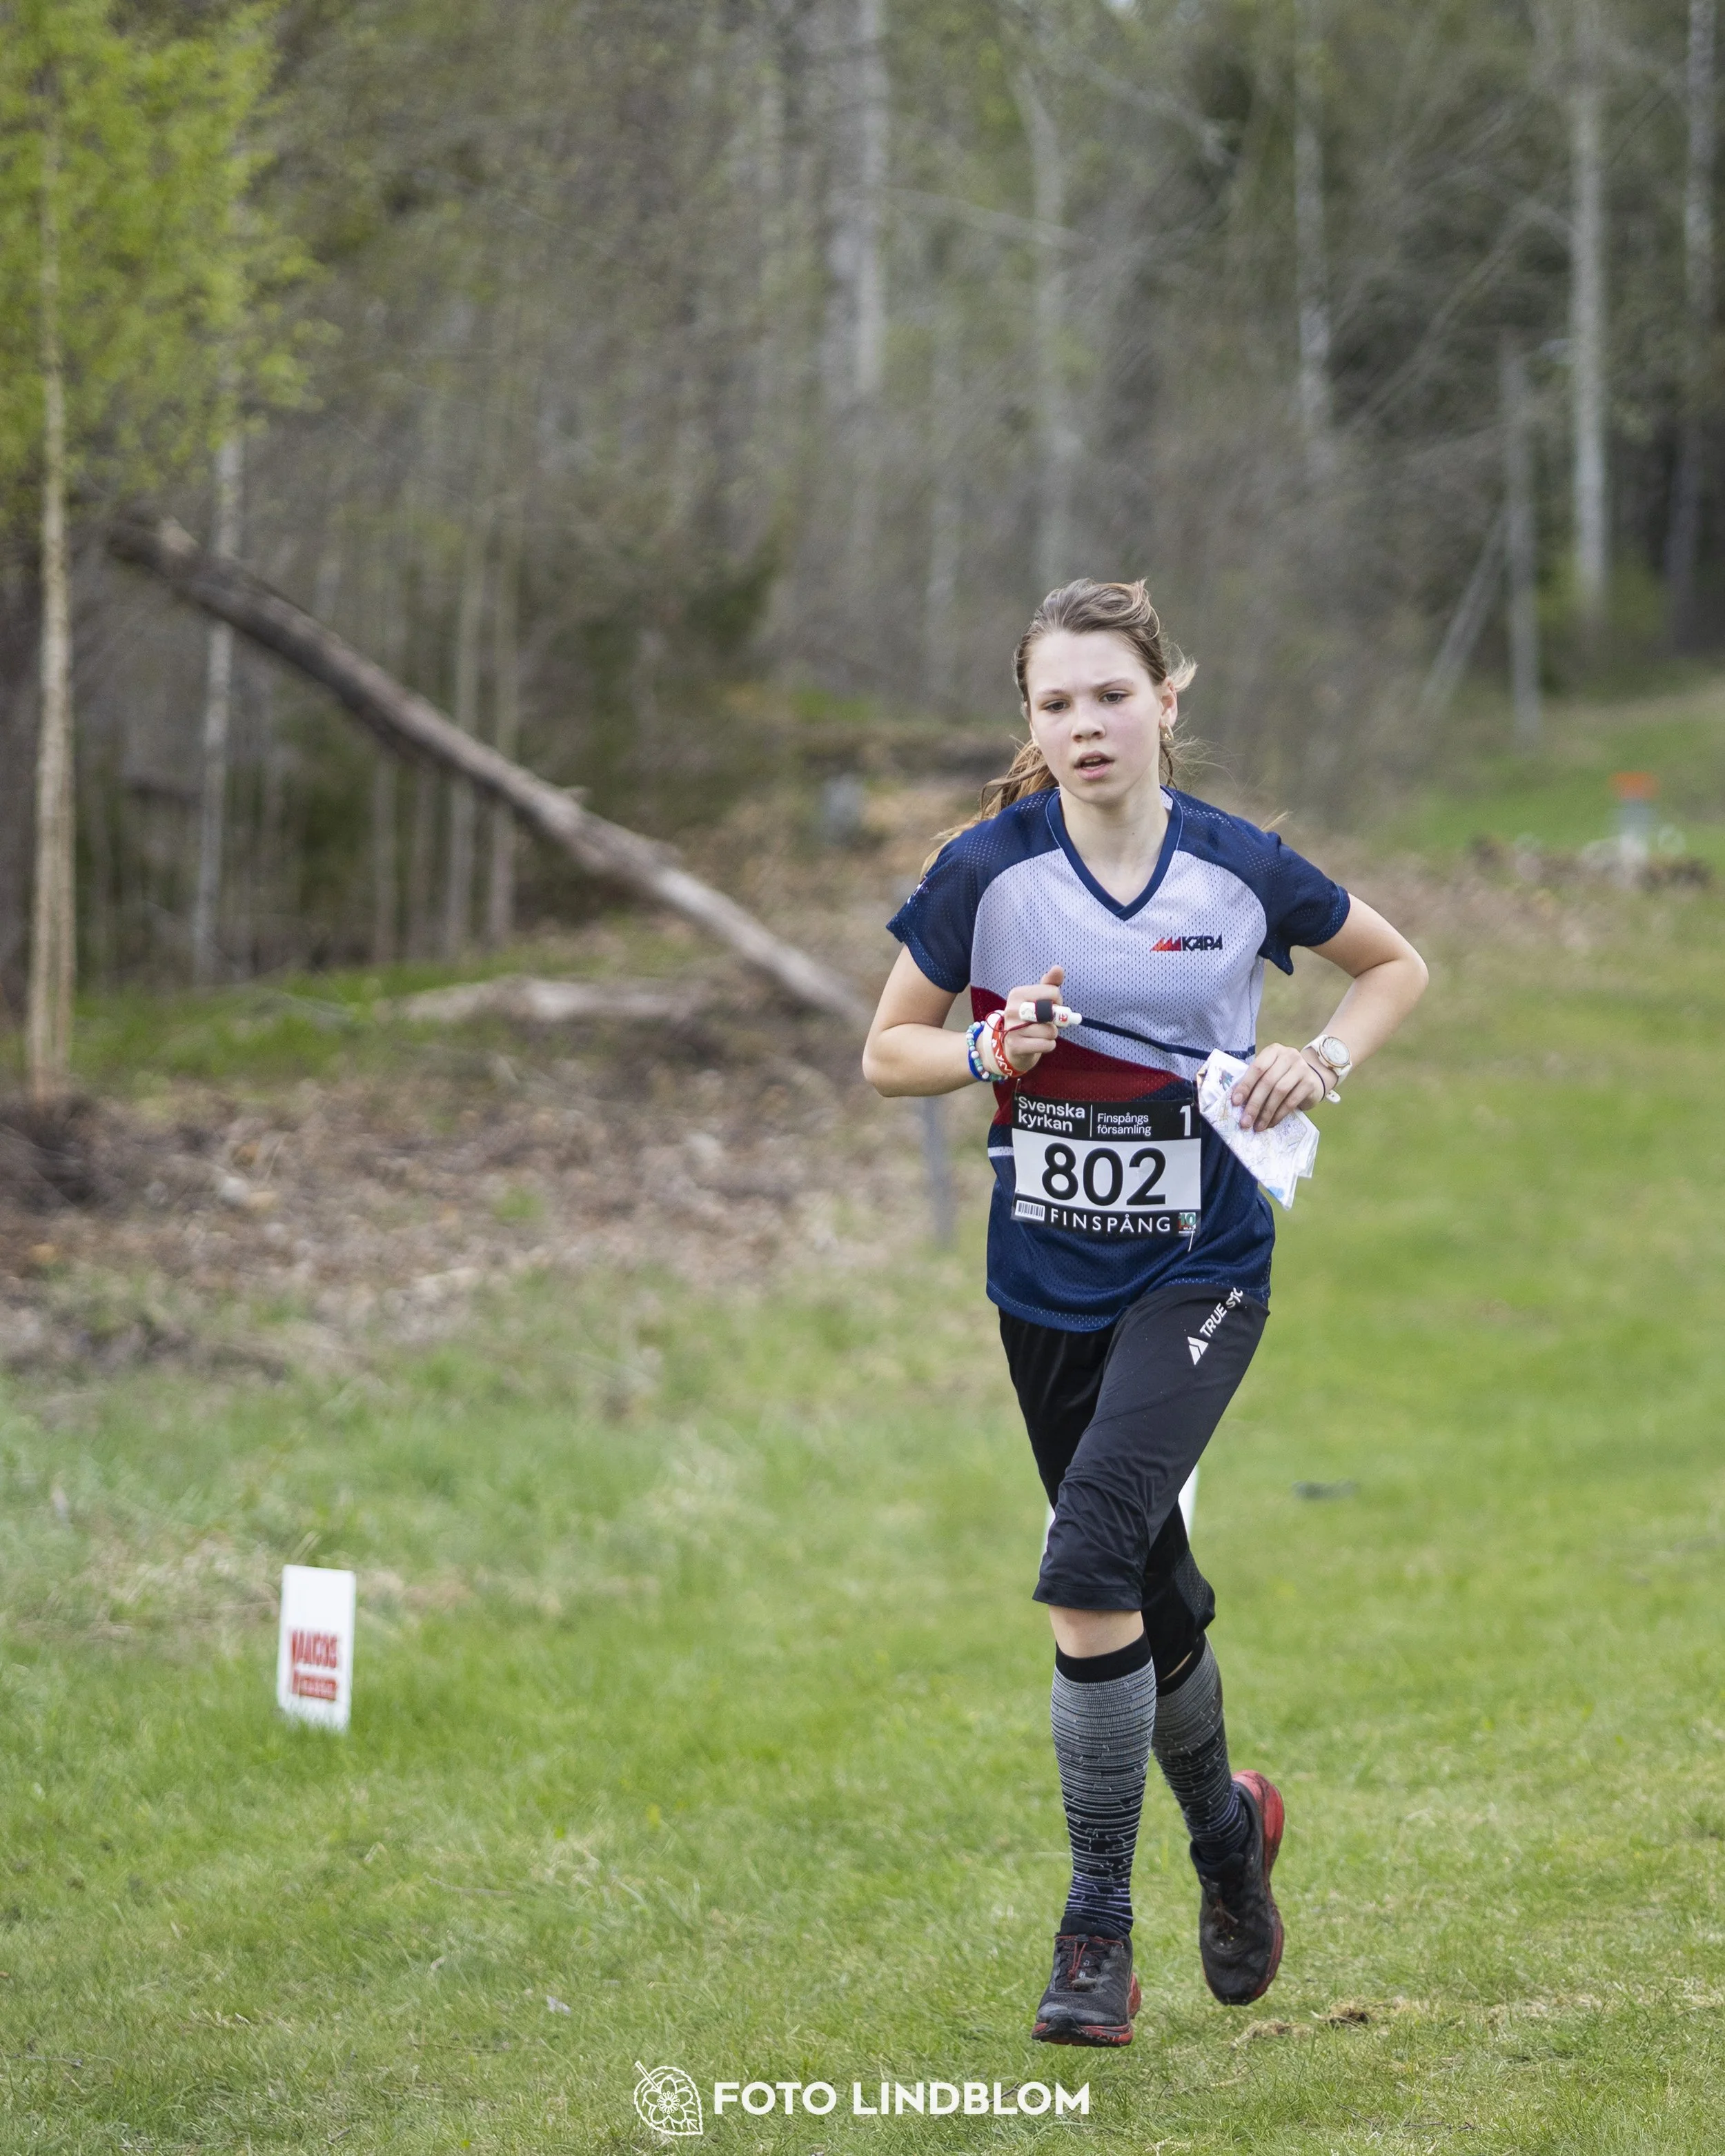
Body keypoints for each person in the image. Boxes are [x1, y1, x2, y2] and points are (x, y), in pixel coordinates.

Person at [862, 579, 1427, 2046]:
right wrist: (984, 1048)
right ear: (1030, 721)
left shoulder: (1237, 868)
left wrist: (1319, 1060)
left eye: (1111, 694)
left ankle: (1096, 1926)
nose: (1085, 724)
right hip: (1043, 1284)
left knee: (1083, 1563)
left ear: (1166, 701)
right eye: (1055, 702)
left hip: (1200, 1269)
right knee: (1137, 1586)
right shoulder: (986, 872)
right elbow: (887, 1049)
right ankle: (1230, 1834)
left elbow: (1393, 966)